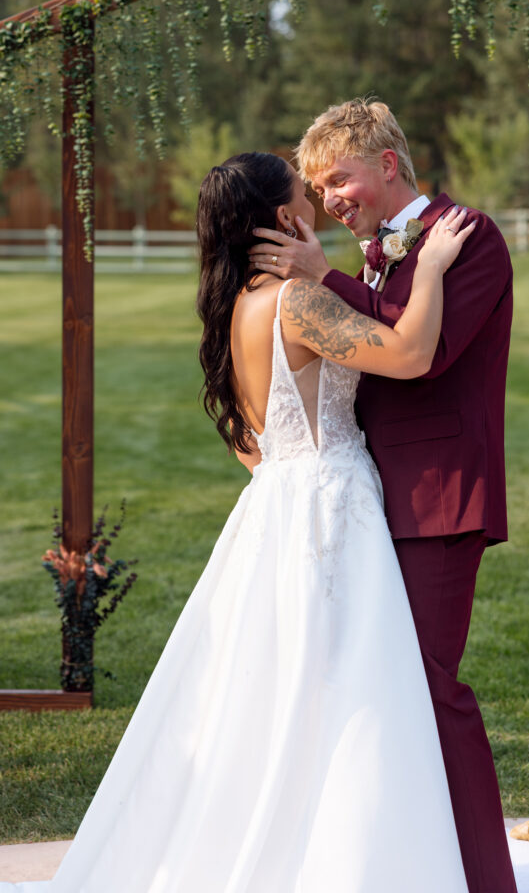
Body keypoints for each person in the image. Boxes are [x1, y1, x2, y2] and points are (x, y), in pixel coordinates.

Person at [0, 151, 475, 893]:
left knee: (275, 685)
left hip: (276, 504)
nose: (314, 200)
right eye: (303, 193)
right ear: (285, 218)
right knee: (349, 682)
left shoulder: (237, 306)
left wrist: (292, 473)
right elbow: (411, 355)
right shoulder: (295, 302)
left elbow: (245, 437)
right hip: (330, 508)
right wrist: (438, 264)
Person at [249, 99, 517, 893]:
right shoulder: (373, 255)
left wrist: (322, 277)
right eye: (318, 187)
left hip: (437, 502)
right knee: (375, 689)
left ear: (388, 164)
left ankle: (483, 879)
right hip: (364, 501)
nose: (330, 198)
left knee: (434, 693)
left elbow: (420, 354)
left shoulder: (466, 237)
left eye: (339, 179)